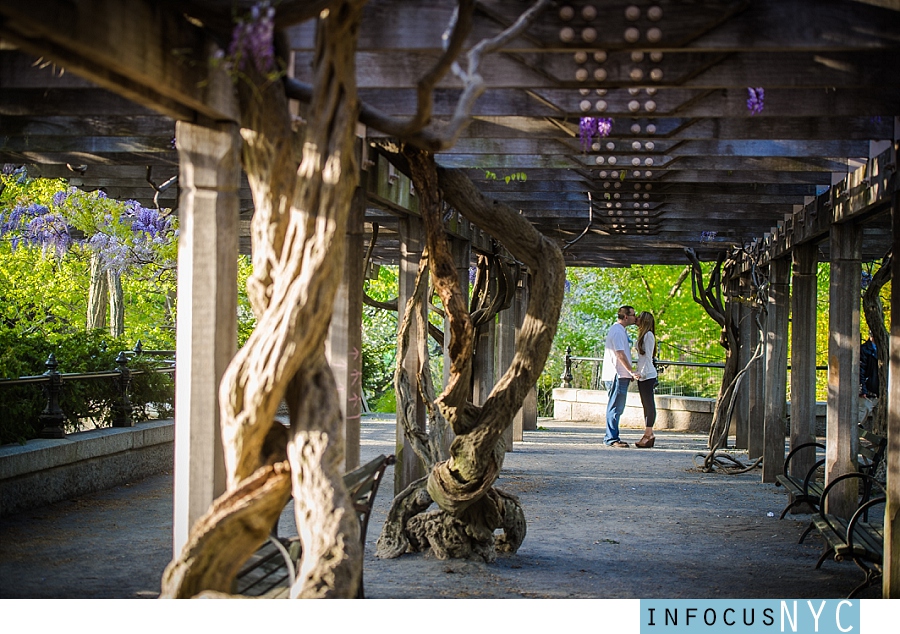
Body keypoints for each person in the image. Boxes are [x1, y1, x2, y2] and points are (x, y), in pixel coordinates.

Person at [600, 305, 637, 447]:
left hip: (621, 375)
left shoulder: (620, 331)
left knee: (617, 407)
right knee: (615, 407)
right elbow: (620, 353)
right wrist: (630, 371)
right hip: (616, 375)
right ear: (626, 317)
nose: (635, 318)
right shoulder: (617, 331)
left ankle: (613, 437)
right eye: (633, 315)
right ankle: (611, 438)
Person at [634, 311, 659, 448]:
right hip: (643, 374)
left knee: (649, 403)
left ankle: (648, 434)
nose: (636, 319)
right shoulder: (643, 335)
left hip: (647, 375)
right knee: (645, 403)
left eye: (639, 317)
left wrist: (642, 373)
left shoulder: (648, 335)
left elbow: (648, 358)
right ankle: (648, 433)